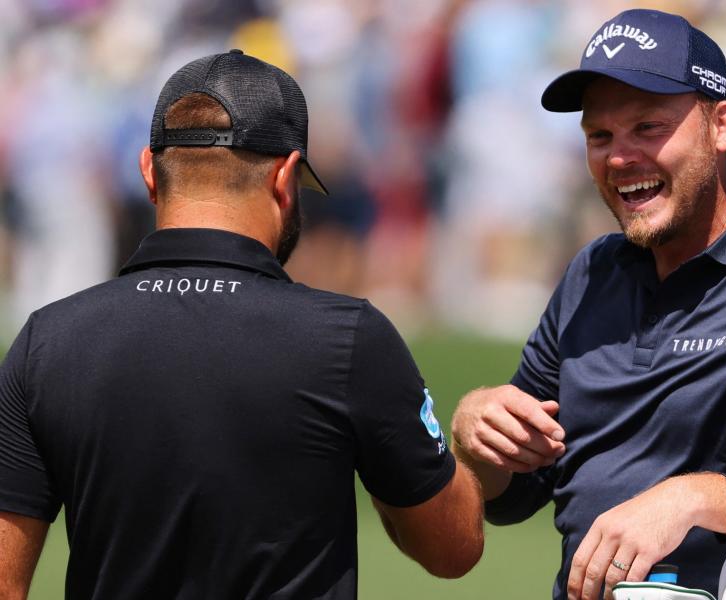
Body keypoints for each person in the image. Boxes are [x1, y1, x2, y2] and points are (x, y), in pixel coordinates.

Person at [0, 50, 483, 599]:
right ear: (285, 178)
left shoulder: (47, 341)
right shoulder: (348, 339)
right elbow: (453, 548)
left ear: (148, 173)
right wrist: (467, 436)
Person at [450, 9, 726, 600]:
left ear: (722, 126)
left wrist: (694, 497)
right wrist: (480, 434)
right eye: (599, 137)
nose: (620, 157)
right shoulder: (590, 272)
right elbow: (520, 493)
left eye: (648, 127)